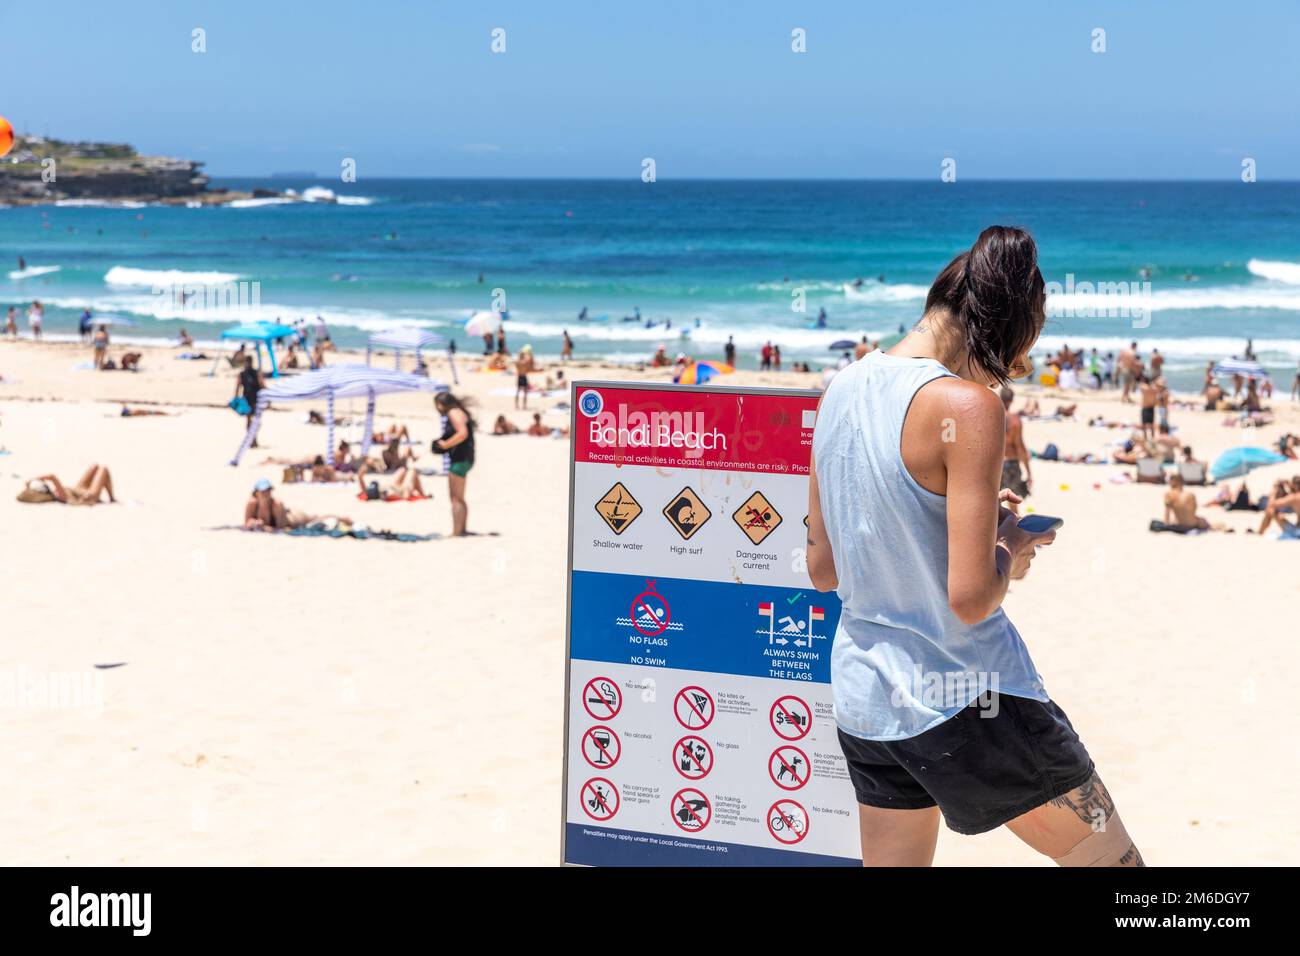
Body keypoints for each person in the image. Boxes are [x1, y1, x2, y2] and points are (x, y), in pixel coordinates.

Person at [808, 225, 1141, 867]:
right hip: (967, 696)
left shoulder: (840, 392)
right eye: (1019, 351)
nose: (1014, 368)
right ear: (999, 323)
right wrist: (1008, 549)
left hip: (867, 700)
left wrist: (966, 531)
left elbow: (824, 568)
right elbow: (969, 600)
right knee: (1116, 868)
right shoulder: (968, 404)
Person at [432, 392, 475, 537]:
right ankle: (462, 529)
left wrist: (445, 445)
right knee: (460, 498)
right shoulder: (460, 412)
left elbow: (462, 433)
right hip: (466, 458)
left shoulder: (453, 413)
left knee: (455, 498)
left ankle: (457, 532)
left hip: (459, 458)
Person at [17, 464, 116, 506]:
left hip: (77, 490)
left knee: (94, 466)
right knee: (104, 469)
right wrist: (32, 479)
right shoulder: (60, 496)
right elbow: (52, 476)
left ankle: (112, 498)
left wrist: (29, 485)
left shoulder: (54, 493)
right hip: (90, 495)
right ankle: (112, 498)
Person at [1000, 386, 1031, 498]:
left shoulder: (991, 416)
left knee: (993, 501)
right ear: (1012, 400)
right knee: (1012, 499)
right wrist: (1029, 472)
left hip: (995, 463)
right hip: (1011, 463)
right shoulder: (1015, 421)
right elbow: (1020, 447)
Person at [234, 356, 264, 447]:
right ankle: (252, 439)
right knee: (252, 420)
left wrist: (236, 398)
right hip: (251, 399)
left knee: (253, 421)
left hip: (252, 399)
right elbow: (262, 385)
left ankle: (252, 439)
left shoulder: (245, 373)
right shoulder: (249, 373)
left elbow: (237, 387)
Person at [515, 344, 536, 409]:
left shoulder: (517, 362)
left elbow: (518, 368)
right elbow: (531, 362)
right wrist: (530, 353)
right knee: (525, 392)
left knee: (518, 392)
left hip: (519, 377)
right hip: (523, 377)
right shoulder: (525, 361)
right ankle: (524, 406)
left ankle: (517, 406)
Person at [1137, 375, 1157, 440]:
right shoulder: (1153, 389)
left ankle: (1146, 438)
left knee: (1145, 425)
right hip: (1151, 407)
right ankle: (1152, 438)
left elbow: (1141, 385)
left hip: (1146, 407)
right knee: (1151, 425)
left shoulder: (1144, 388)